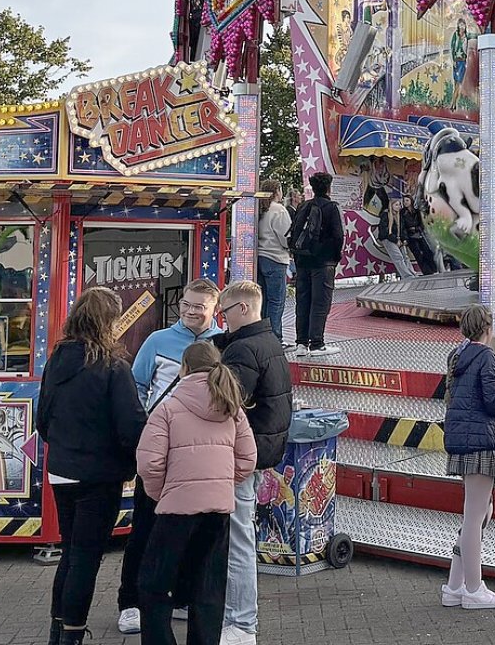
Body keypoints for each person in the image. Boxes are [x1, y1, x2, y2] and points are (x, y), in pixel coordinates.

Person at [39, 287, 146, 645]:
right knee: (86, 557)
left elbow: (43, 419)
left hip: (62, 468)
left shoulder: (56, 359)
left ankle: (59, 629)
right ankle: (72, 633)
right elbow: (130, 426)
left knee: (70, 552)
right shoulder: (114, 366)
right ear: (109, 322)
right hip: (99, 473)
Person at [119, 280, 223, 634]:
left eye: (200, 307)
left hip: (201, 461)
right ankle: (129, 601)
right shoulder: (157, 341)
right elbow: (137, 385)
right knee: (145, 529)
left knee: (193, 535)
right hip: (163, 452)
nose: (193, 312)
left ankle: (180, 598)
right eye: (188, 305)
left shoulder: (222, 342)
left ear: (214, 309)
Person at [137, 341, 256, 645]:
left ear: (184, 368)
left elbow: (149, 463)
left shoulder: (168, 408)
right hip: (218, 511)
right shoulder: (233, 409)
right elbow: (248, 459)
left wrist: (161, 494)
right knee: (209, 588)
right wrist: (220, 484)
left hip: (176, 509)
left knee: (154, 585)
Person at [216, 283, 292, 645]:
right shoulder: (270, 341)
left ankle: (241, 622)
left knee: (238, 539)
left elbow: (224, 403)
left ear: (243, 310)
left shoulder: (244, 349)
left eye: (225, 312)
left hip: (240, 455)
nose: (222, 319)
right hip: (263, 450)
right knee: (238, 534)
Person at [441, 304, 495, 611]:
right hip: (482, 441)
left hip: (460, 438)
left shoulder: (456, 356)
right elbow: (492, 399)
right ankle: (474, 589)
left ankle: (455, 584)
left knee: (480, 512)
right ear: (488, 329)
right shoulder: (485, 356)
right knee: (475, 517)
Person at [290, 171, 344, 357]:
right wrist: (334, 257)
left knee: (303, 301)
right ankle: (317, 343)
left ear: (312, 188)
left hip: (303, 260)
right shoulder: (332, 207)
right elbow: (338, 237)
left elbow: (295, 232)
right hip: (323, 263)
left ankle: (301, 344)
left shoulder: (304, 206)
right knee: (320, 302)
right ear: (329, 187)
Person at [256, 180, 293, 344]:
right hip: (276, 257)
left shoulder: (259, 208)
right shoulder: (279, 210)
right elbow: (286, 237)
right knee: (276, 301)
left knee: (263, 300)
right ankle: (275, 338)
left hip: (260, 256)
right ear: (277, 191)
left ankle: (262, 334)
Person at [363, 162, 413, 279]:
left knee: (405, 255)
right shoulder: (386, 215)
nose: (399, 207)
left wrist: (404, 239)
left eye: (399, 205)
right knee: (398, 257)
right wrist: (396, 240)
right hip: (389, 239)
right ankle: (407, 275)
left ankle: (411, 273)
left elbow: (403, 229)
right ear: (391, 206)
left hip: (398, 239)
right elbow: (384, 231)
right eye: (396, 205)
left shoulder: (400, 216)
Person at [398, 192, 438, 275]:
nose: (405, 202)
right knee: (418, 254)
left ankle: (433, 268)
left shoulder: (416, 212)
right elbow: (402, 226)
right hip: (410, 236)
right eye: (404, 201)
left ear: (411, 201)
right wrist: (404, 238)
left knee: (427, 251)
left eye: (407, 200)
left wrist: (416, 228)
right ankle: (427, 271)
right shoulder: (402, 213)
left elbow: (422, 224)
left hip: (419, 234)